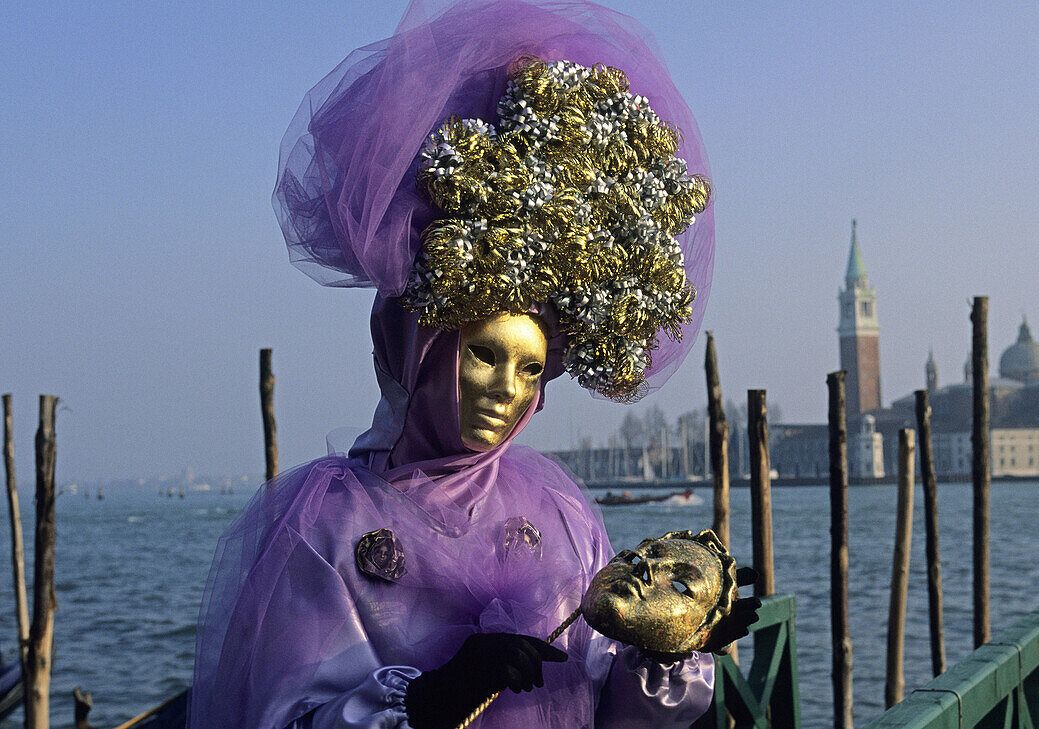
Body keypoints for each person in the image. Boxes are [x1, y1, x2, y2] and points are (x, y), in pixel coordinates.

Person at [187, 2, 752, 728]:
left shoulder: (561, 511)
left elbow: (611, 707)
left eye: (531, 369)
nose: (506, 391)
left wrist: (664, 652)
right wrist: (429, 700)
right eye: (483, 353)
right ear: (416, 346)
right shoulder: (325, 526)